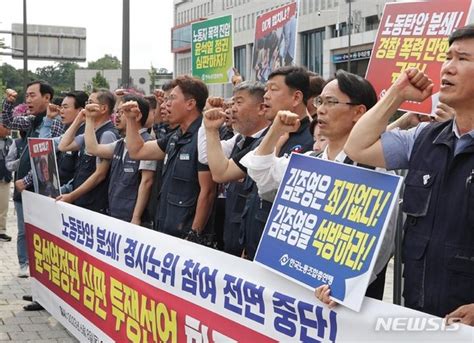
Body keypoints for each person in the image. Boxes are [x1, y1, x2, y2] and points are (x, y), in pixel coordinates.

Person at [343, 24, 474, 324]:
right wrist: (397, 95)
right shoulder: (425, 137)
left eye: (463, 59)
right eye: (448, 57)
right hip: (419, 315)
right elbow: (358, 146)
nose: (448, 68)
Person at [242, 70, 396, 301]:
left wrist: (344, 290)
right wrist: (275, 130)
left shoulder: (376, 170)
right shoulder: (308, 162)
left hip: (345, 304)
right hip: (296, 291)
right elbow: (260, 172)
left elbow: (381, 247)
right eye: (320, 101)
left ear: (358, 112)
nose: (321, 109)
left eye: (331, 102)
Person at [205, 66, 313, 259]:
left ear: (296, 98)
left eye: (273, 89)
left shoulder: (312, 142)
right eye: (266, 91)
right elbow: (221, 173)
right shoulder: (263, 141)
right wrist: (211, 130)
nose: (266, 96)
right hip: (253, 248)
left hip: (284, 256)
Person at [125, 76, 216, 243]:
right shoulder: (175, 136)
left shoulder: (204, 137)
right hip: (165, 229)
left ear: (190, 104)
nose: (167, 104)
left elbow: (208, 192)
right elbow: (137, 151)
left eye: (172, 99)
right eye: (166, 99)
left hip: (186, 238)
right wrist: (131, 119)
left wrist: (194, 235)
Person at [199, 81, 269, 256]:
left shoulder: (268, 143)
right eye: (232, 103)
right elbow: (207, 159)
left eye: (239, 102)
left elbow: (220, 174)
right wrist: (209, 129)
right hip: (231, 235)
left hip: (252, 244)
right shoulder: (240, 140)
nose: (232, 109)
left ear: (261, 108)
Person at [2, 82, 62, 278]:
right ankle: (26, 266)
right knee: (23, 230)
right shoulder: (31, 120)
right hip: (24, 188)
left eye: (32, 95)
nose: (28, 99)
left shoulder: (56, 122)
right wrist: (8, 103)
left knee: (45, 235)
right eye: (26, 95)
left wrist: (27, 180)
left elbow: (45, 158)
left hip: (43, 189)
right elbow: (9, 121)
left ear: (47, 98)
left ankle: (45, 278)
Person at [84, 94, 156, 225]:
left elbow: (147, 182)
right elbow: (92, 148)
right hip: (115, 213)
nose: (116, 116)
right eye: (116, 112)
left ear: (137, 115)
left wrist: (136, 217)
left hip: (133, 219)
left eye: (122, 112)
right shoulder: (120, 144)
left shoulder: (148, 144)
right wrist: (89, 118)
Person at [57, 89, 119, 213]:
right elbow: (63, 146)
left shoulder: (107, 134)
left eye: (90, 102)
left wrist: (72, 196)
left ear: (103, 108)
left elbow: (100, 174)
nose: (86, 107)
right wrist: (79, 118)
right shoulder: (90, 133)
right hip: (82, 200)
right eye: (87, 103)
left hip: (94, 204)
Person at [0, 121, 12, 242]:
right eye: (6, 127)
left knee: (3, 206)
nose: (8, 130)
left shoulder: (10, 141)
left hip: (5, 178)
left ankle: (1, 231)